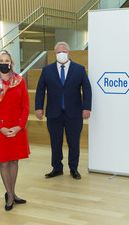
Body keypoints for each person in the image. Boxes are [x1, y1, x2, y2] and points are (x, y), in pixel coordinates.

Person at [35, 41, 92, 179]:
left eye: (64, 51)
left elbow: (87, 89)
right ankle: (57, 168)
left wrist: (87, 108)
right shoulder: (47, 70)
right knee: (55, 143)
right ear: (55, 54)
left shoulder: (79, 69)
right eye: (59, 52)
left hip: (74, 113)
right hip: (54, 113)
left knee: (74, 143)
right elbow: (40, 90)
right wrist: (38, 108)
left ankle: (74, 168)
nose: (62, 54)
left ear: (69, 53)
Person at [0, 50, 30, 211]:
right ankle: (10, 195)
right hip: (0, 129)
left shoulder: (20, 81)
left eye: (7, 60)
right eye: (1, 61)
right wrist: (0, 128)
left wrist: (19, 126)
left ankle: (13, 192)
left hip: (17, 128)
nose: (4, 63)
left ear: (11, 63)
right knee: (4, 163)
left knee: (14, 161)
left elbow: (25, 106)